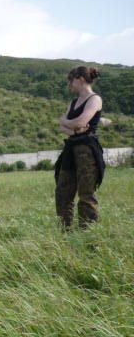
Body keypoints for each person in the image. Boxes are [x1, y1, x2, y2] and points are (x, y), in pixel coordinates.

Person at [55, 66, 104, 230]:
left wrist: (68, 122)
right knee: (62, 194)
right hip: (70, 150)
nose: (70, 84)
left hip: (87, 151)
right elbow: (63, 127)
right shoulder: (74, 102)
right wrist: (75, 127)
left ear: (80, 79)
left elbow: (77, 123)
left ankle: (88, 236)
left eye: (71, 80)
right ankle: (65, 233)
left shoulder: (94, 99)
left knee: (86, 196)